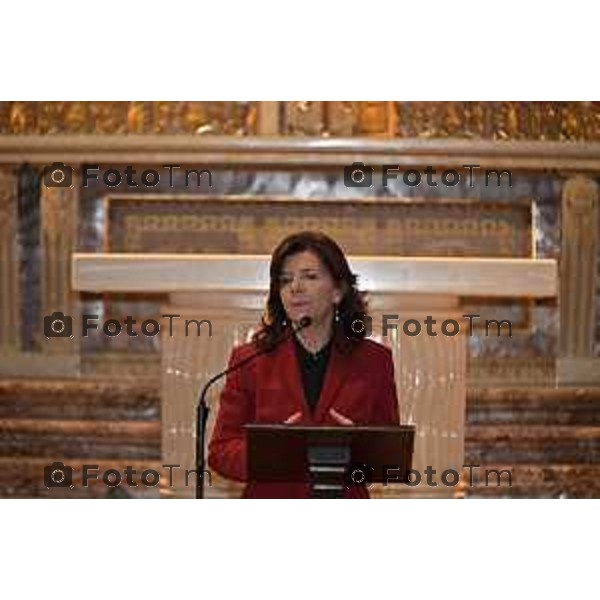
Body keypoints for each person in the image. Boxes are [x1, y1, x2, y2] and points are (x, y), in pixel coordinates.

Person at [208, 231, 400, 498]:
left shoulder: (374, 361)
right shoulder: (250, 360)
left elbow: (389, 457)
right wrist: (272, 449)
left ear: (337, 291)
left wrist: (359, 446)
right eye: (285, 280)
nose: (295, 287)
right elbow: (220, 452)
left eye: (310, 276)